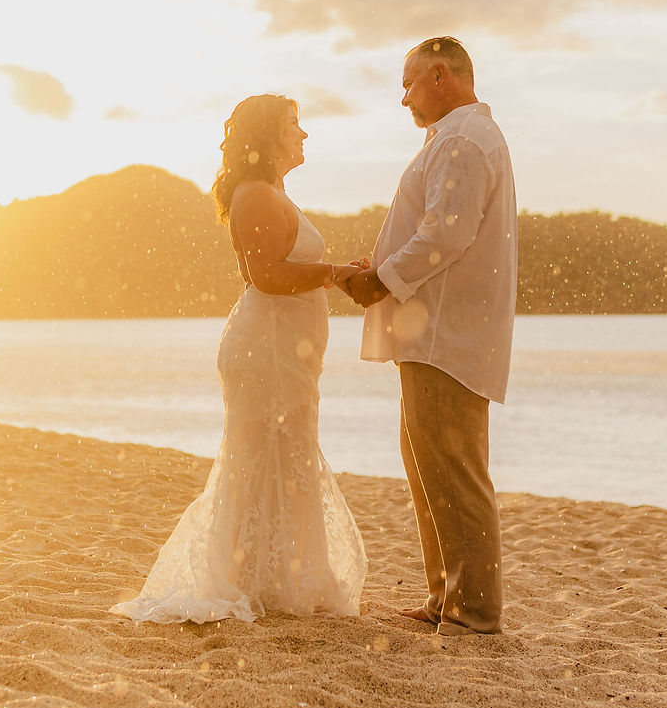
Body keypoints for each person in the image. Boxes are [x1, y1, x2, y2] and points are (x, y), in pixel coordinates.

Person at [112, 94, 367, 625]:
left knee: (286, 452)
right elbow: (266, 276)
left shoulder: (273, 194)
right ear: (269, 136)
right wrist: (335, 273)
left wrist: (340, 273)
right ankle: (253, 578)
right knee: (266, 454)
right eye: (294, 125)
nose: (304, 134)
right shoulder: (255, 194)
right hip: (266, 348)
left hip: (283, 349)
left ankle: (276, 577)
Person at [343, 37, 517, 636]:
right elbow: (437, 228)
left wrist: (380, 280)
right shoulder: (455, 137)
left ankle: (474, 611)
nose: (404, 99)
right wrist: (383, 268)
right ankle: (446, 597)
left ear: (440, 75)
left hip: (446, 334)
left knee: (453, 469)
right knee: (430, 469)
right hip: (433, 332)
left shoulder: (464, 139)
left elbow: (447, 234)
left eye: (408, 84)